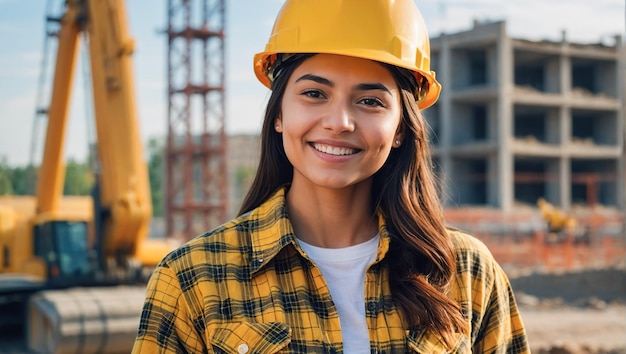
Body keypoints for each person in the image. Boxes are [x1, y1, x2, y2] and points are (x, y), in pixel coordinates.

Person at [132, 0, 530, 352]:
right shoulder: (193, 279)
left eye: (370, 101)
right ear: (279, 115)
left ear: (400, 130)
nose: (339, 122)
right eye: (314, 94)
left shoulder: (465, 271)